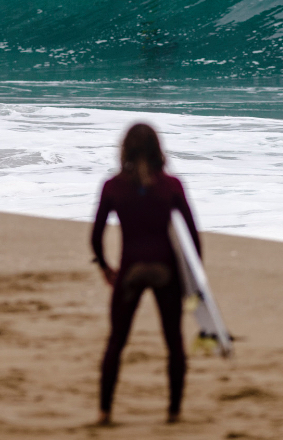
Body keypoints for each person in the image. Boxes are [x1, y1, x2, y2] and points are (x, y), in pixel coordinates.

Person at [91, 123, 200, 426]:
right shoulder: (172, 186)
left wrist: (105, 267)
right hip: (165, 271)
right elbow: (192, 236)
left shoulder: (113, 187)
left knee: (117, 341)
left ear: (124, 149)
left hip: (131, 271)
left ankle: (104, 412)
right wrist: (193, 281)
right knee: (173, 341)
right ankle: (174, 412)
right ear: (158, 151)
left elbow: (96, 236)